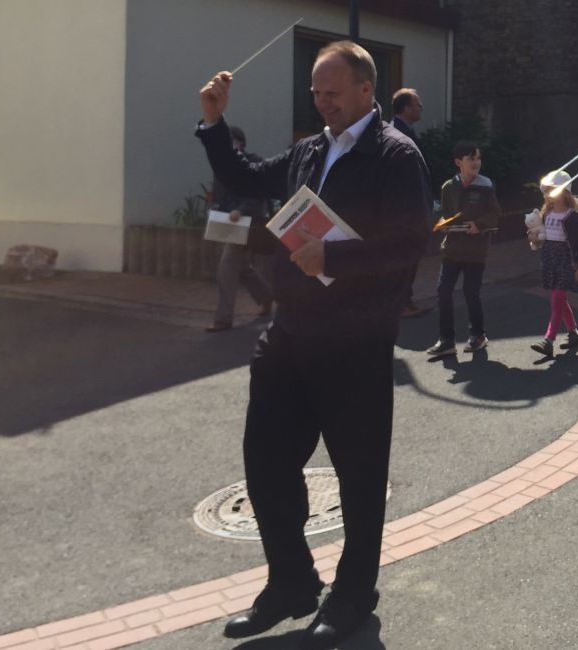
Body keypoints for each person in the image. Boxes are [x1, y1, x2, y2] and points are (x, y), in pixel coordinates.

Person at [196, 41, 431, 648]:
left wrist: (335, 255)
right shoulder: (310, 150)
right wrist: (215, 124)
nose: (322, 101)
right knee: (266, 462)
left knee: (358, 476)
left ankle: (353, 595)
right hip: (290, 332)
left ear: (364, 90)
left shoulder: (395, 155)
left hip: (354, 341)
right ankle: (292, 583)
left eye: (332, 92)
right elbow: (243, 177)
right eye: (315, 93)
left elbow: (408, 247)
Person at [425, 141, 501, 359]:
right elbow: (446, 214)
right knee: (443, 291)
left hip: (476, 251)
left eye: (478, 158)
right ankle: (446, 340)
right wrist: (443, 223)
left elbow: (495, 213)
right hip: (451, 249)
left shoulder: (486, 185)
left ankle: (478, 335)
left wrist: (480, 224)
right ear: (459, 162)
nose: (476, 162)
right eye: (471, 158)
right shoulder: (448, 187)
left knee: (471, 292)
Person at [208, 125, 274, 332]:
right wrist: (217, 212)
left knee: (226, 268)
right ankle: (266, 296)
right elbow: (219, 197)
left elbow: (257, 194)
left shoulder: (252, 162)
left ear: (239, 143)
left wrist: (240, 210)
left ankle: (223, 320)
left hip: (251, 223)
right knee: (242, 267)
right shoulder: (221, 166)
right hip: (232, 225)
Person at [529, 171, 578, 357]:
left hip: (564, 260)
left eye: (552, 190)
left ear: (564, 192)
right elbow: (541, 238)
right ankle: (573, 333)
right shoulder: (547, 213)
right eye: (547, 190)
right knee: (560, 299)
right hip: (550, 259)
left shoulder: (572, 216)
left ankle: (548, 339)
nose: (548, 194)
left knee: (556, 300)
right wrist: (534, 239)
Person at [391, 87, 430, 319]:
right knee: (406, 256)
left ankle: (403, 299)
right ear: (406, 108)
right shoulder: (398, 134)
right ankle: (402, 302)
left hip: (406, 208)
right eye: (417, 104)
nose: (421, 108)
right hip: (404, 211)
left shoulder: (402, 130)